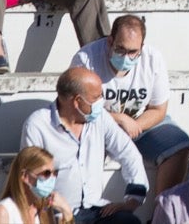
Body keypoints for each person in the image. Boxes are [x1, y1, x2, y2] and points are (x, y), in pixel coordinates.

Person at [73, 15, 189, 199]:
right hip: (96, 124)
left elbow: (159, 109)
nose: (126, 57)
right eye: (120, 49)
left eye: (132, 52)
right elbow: (77, 107)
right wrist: (119, 120)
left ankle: (163, 214)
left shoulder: (153, 59)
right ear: (110, 41)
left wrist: (135, 126)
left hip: (140, 123)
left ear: (141, 48)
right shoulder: (86, 59)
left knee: (179, 145)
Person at [21, 66, 146, 224]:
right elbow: (29, 180)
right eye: (96, 97)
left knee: (128, 221)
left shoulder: (100, 118)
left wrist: (132, 200)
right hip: (57, 213)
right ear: (77, 101)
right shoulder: (38, 125)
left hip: (97, 210)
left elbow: (128, 153)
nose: (102, 102)